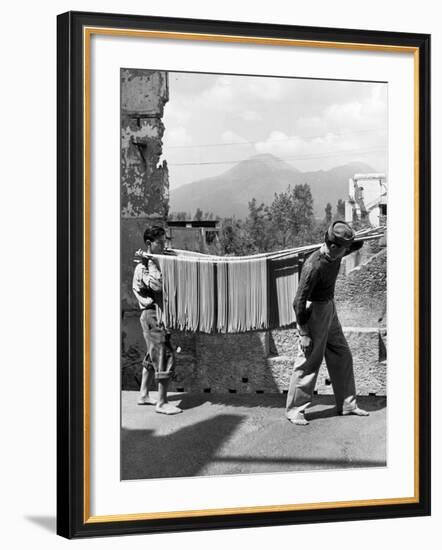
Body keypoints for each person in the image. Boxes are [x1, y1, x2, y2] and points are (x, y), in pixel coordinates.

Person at [286, 221, 369, 425]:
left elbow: (355, 244)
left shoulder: (336, 252)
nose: (346, 252)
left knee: (342, 354)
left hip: (329, 309)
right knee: (309, 361)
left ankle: (348, 404)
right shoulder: (313, 265)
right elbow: (298, 302)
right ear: (333, 246)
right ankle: (295, 410)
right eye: (344, 249)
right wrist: (304, 333)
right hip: (314, 313)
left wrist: (364, 234)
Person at [132, 225, 182, 415]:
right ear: (148, 243)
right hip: (151, 314)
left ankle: (144, 394)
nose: (163, 246)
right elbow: (158, 285)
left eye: (164, 242)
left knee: (152, 354)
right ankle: (162, 403)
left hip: (155, 314)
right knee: (164, 355)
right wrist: (151, 262)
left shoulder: (153, 261)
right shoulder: (143, 267)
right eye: (159, 242)